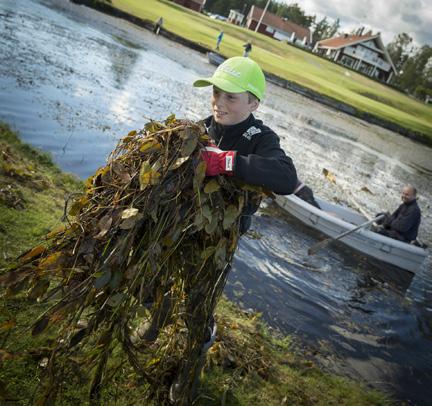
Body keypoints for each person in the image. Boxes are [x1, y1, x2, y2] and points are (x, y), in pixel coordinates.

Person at [135, 57, 298, 402]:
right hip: (181, 226)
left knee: (198, 306)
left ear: (253, 102)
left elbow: (286, 177)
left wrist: (227, 162)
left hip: (220, 241)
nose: (219, 103)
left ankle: (189, 371)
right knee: (148, 275)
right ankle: (157, 317)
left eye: (231, 98)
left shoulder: (260, 138)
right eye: (216, 93)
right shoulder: (202, 127)